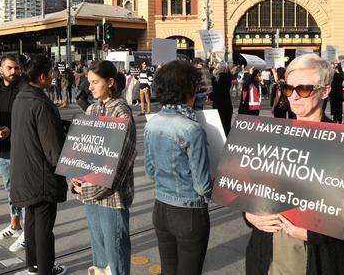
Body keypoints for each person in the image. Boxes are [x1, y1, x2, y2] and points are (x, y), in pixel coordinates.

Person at [244, 54, 344, 275]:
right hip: (268, 255)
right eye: (287, 88)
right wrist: (249, 215)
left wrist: (314, 234)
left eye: (303, 89)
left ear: (325, 91)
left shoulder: (342, 144)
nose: (293, 97)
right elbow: (250, 190)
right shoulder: (272, 135)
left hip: (315, 256)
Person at [144, 60, 212, 275]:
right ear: (189, 90)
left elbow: (150, 172)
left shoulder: (152, 122)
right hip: (189, 212)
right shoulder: (192, 129)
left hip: (160, 207)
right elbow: (202, 186)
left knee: (168, 270)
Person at [71, 61, 137, 275]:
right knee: (99, 254)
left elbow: (120, 164)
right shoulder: (92, 108)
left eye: (94, 82)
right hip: (90, 193)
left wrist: (87, 189)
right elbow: (81, 152)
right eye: (89, 82)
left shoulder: (121, 112)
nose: (89, 87)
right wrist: (75, 179)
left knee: (115, 254)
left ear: (110, 82)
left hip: (112, 197)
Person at [10, 54, 68, 275]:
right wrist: (68, 170)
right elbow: (52, 148)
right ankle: (45, 268)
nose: (53, 76)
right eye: (51, 73)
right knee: (44, 227)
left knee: (32, 222)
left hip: (25, 172)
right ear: (42, 76)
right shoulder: (40, 103)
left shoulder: (22, 98)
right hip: (41, 175)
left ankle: (33, 265)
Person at [0, 55, 27, 252]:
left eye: (16, 68)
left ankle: (28, 233)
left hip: (20, 149)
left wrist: (11, 130)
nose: (14, 72)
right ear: (1, 70)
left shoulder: (24, 91)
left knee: (23, 190)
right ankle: (15, 224)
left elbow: (27, 118)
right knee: (10, 188)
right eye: (9, 68)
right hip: (1, 151)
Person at [211, 62, 234, 135]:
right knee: (227, 125)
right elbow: (230, 74)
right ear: (225, 69)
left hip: (217, 104)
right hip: (227, 104)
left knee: (219, 126)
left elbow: (212, 94)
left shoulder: (214, 79)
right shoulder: (228, 78)